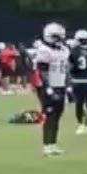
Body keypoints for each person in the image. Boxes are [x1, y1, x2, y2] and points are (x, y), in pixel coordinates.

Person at [31, 23, 72, 157]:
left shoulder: (64, 50)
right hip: (47, 86)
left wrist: (68, 86)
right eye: (56, 36)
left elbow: (66, 71)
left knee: (57, 116)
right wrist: (48, 89)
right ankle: (46, 146)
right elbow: (42, 72)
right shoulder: (44, 50)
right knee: (50, 116)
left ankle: (53, 144)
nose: (59, 39)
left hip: (60, 85)